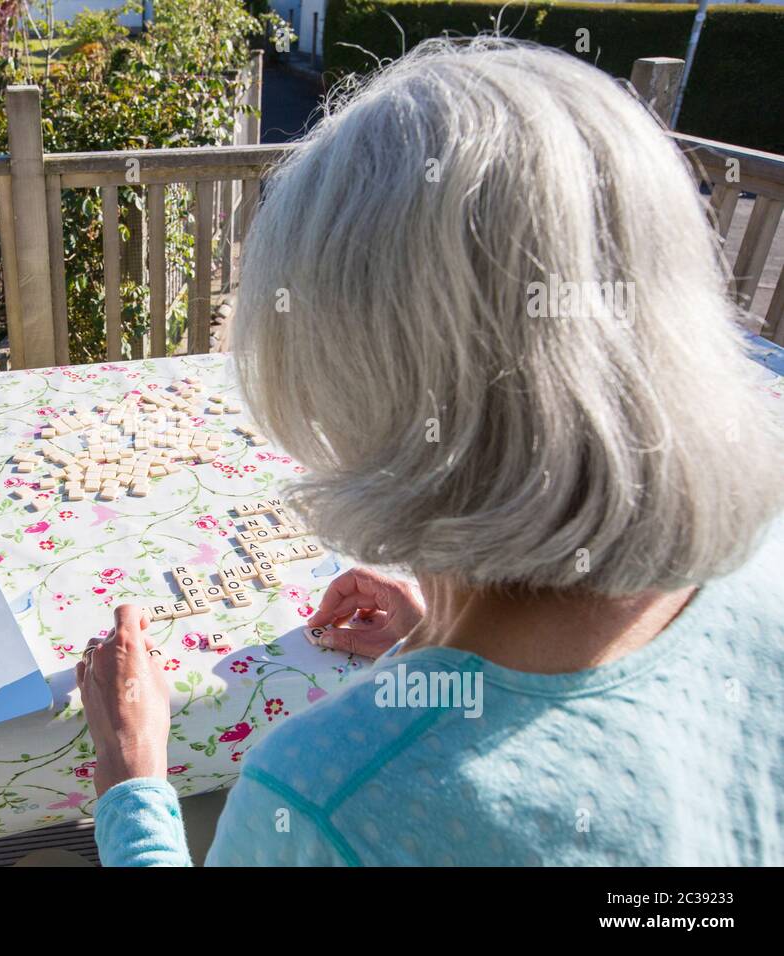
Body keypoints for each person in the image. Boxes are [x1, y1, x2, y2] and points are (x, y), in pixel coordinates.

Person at [75, 39, 784, 866]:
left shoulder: (322, 794)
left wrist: (130, 779)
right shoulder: (767, 558)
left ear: (366, 386)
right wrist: (440, 646)